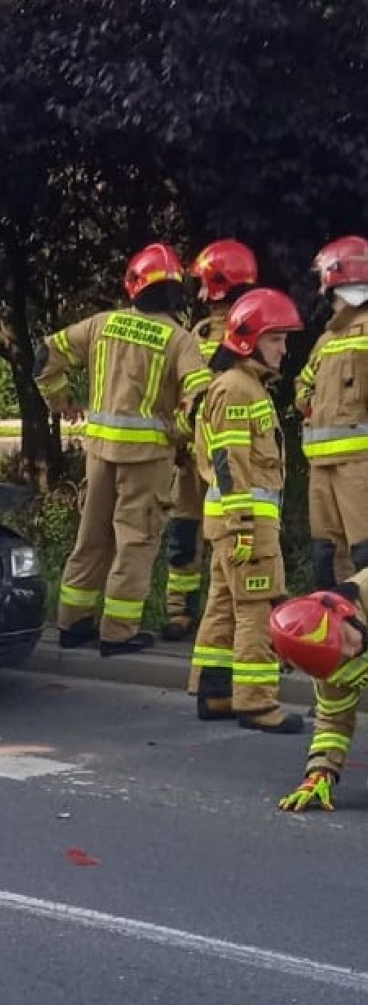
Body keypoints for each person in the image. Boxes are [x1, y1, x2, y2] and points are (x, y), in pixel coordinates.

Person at [36, 243, 214, 655]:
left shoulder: (101, 324)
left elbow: (45, 355)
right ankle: (118, 632)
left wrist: (60, 401)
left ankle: (73, 623)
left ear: (134, 286)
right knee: (136, 540)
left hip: (99, 454)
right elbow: (199, 398)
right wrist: (182, 434)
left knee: (92, 535)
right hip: (148, 459)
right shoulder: (180, 339)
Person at [188, 287, 305, 732]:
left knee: (223, 605)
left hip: (234, 522)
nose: (284, 348)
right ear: (250, 339)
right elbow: (229, 462)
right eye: (276, 339)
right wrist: (241, 525)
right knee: (256, 608)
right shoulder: (238, 390)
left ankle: (216, 692)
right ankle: (256, 703)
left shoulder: (241, 386)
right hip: (246, 524)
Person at [162, 239, 260, 640]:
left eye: (204, 284)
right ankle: (197, 613)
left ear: (221, 284)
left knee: (211, 532)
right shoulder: (210, 332)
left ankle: (203, 613)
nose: (200, 293)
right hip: (212, 454)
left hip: (213, 453)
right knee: (203, 532)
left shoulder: (233, 333)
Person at [295, 235, 368, 588]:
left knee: (364, 551)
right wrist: (306, 398)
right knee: (327, 553)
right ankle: (335, 631)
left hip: (360, 464)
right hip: (320, 466)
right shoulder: (327, 340)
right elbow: (302, 384)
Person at [269, 578, 368, 810]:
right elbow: (334, 722)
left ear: (343, 612)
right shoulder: (326, 664)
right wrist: (321, 772)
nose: (351, 650)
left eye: (345, 638)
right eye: (340, 658)